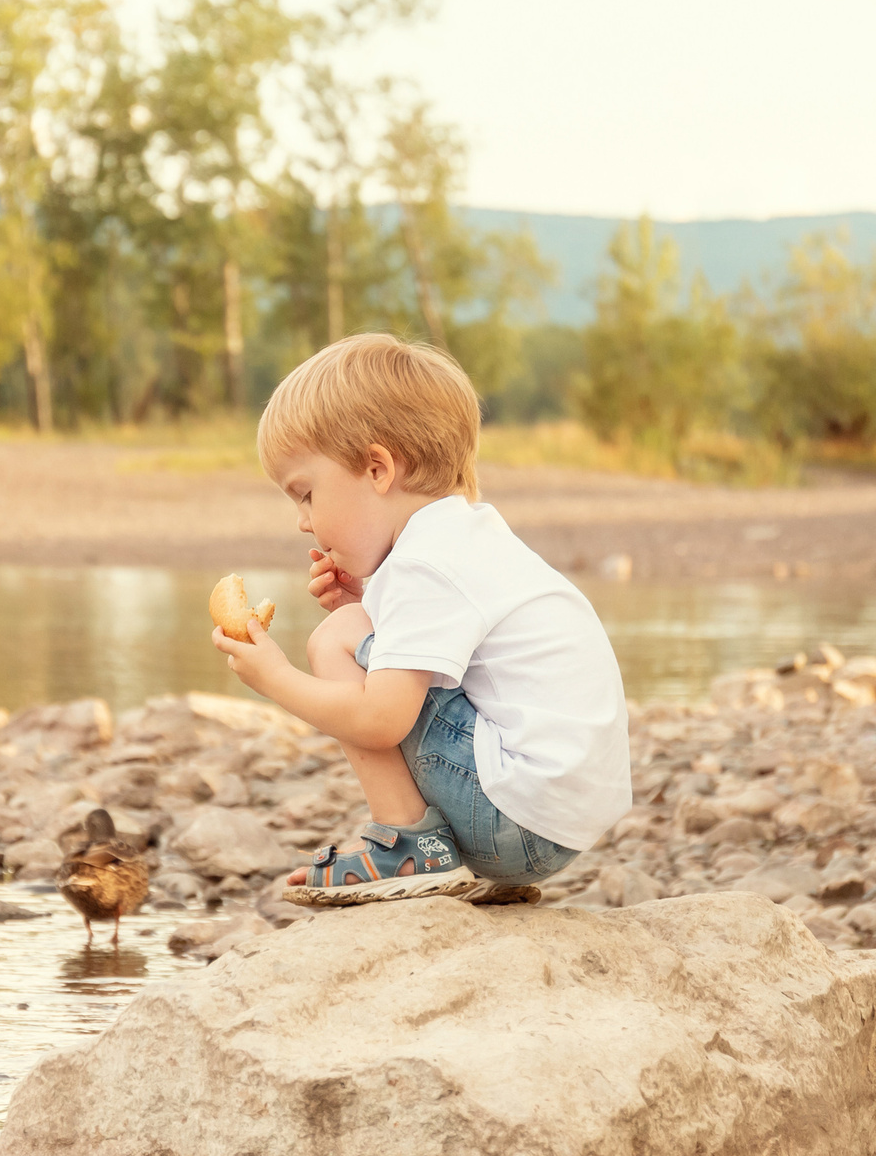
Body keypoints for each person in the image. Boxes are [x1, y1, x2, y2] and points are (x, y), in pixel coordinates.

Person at [210, 332, 630, 906]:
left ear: (378, 469)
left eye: (306, 494)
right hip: (558, 819)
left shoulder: (423, 564)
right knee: (352, 626)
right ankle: (436, 853)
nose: (303, 523)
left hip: (515, 816)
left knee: (334, 639)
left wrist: (274, 678)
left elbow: (381, 719)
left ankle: (409, 847)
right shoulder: (464, 537)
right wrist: (368, 601)